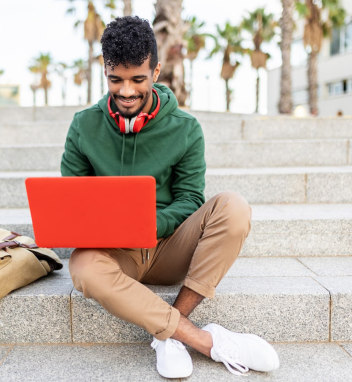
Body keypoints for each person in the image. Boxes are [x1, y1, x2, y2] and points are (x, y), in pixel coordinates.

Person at [61, 16, 279, 378]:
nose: (127, 91)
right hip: (116, 252)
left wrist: (147, 224)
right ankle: (198, 340)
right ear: (105, 71)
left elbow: (191, 199)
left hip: (170, 247)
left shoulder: (187, 129)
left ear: (156, 71)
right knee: (83, 268)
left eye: (137, 79)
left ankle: (171, 331)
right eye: (116, 79)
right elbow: (72, 200)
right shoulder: (83, 126)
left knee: (234, 207)